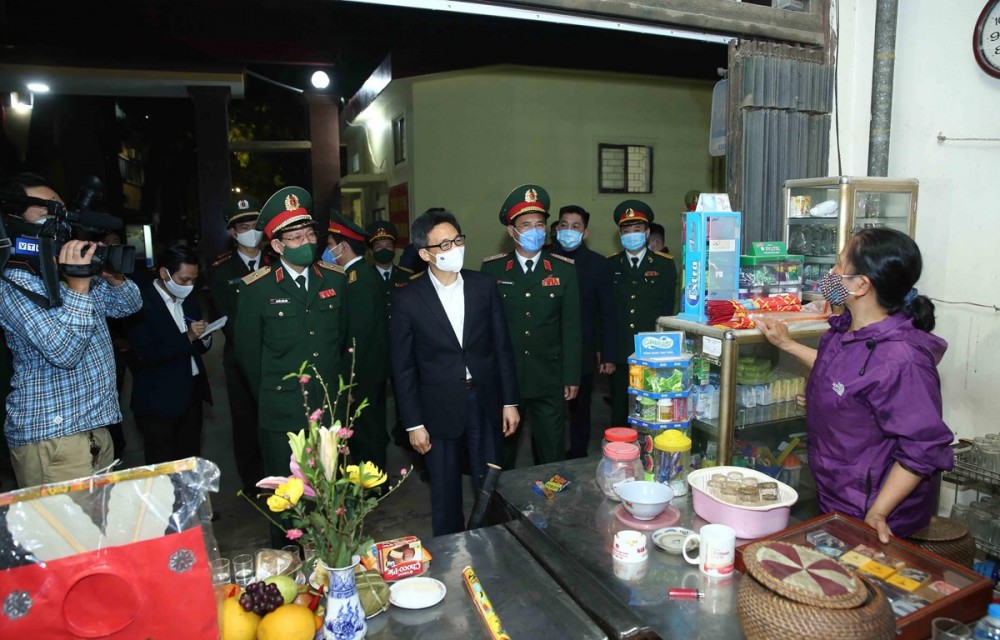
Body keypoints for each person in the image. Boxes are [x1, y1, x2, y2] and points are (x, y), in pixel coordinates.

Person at [757, 228, 954, 543]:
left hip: (876, 513)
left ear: (862, 285)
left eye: (838, 266)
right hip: (838, 490)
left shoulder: (903, 360)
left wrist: (879, 511)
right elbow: (840, 373)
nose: (831, 274)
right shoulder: (847, 329)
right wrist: (788, 345)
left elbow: (923, 448)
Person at [0, 173, 142, 487]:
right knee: (69, 535)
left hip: (94, 427)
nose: (59, 220)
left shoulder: (64, 271)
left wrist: (112, 276)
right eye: (48, 211)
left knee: (102, 534)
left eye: (61, 211)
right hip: (52, 437)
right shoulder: (13, 281)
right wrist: (79, 287)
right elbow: (63, 351)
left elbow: (128, 305)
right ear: (15, 220)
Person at [390, 209, 520, 536]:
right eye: (444, 244)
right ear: (425, 254)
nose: (454, 249)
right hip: (438, 407)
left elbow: (501, 347)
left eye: (457, 240)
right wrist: (414, 423)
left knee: (489, 483)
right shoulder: (408, 299)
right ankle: (449, 556)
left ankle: (496, 548)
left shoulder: (483, 286)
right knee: (445, 490)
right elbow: (403, 367)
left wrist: (510, 401)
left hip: (485, 399)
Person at [233, 187, 348, 484]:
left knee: (331, 495)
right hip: (282, 414)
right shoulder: (257, 289)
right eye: (296, 238)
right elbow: (249, 358)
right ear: (278, 246)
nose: (306, 242)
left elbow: (345, 342)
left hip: (328, 410)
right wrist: (274, 399)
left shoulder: (335, 279)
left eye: (310, 234)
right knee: (288, 502)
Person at [481, 185, 581, 468]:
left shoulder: (563, 269)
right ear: (511, 230)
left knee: (552, 451)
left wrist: (571, 375)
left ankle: (553, 508)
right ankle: (499, 508)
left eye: (539, 224)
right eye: (526, 225)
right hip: (506, 377)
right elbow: (486, 328)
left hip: (549, 376)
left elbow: (571, 326)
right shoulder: (493, 270)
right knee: (502, 453)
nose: (534, 231)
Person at [124, 244, 213, 465]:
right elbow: (145, 354)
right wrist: (188, 338)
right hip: (158, 400)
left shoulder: (189, 300)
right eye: (184, 280)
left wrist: (205, 336)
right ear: (164, 274)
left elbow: (196, 346)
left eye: (194, 280)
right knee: (163, 467)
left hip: (191, 394)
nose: (189, 286)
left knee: (191, 462)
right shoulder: (139, 303)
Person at [207, 195, 267, 493]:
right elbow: (226, 318)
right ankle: (254, 484)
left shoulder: (277, 261)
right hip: (240, 359)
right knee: (245, 423)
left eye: (255, 224)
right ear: (232, 232)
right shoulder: (221, 269)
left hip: (278, 357)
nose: (250, 230)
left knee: (277, 419)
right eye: (243, 226)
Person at [550, 205, 617, 459]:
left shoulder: (598, 264)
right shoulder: (545, 259)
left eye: (575, 226)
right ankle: (548, 457)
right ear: (556, 229)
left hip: (582, 349)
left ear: (585, 232)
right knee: (549, 410)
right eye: (564, 225)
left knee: (580, 409)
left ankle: (577, 454)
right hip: (548, 349)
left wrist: (607, 352)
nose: (569, 231)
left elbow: (606, 312)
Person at [326, 211, 390, 471]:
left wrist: (348, 380)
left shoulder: (359, 279)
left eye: (330, 246)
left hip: (362, 371)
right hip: (366, 369)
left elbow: (357, 335)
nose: (327, 251)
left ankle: (372, 482)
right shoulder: (357, 275)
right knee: (365, 427)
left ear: (343, 247)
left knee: (366, 430)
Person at [607, 200, 678, 427]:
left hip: (652, 350)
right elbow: (605, 312)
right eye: (626, 231)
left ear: (647, 233)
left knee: (652, 406)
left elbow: (668, 309)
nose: (631, 235)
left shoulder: (665, 265)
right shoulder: (609, 265)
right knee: (619, 408)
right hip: (620, 352)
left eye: (637, 230)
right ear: (620, 235)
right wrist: (607, 354)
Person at [364, 219, 413, 313]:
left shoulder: (407, 277)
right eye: (379, 247)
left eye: (388, 246)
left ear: (394, 249)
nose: (384, 250)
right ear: (371, 251)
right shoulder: (365, 277)